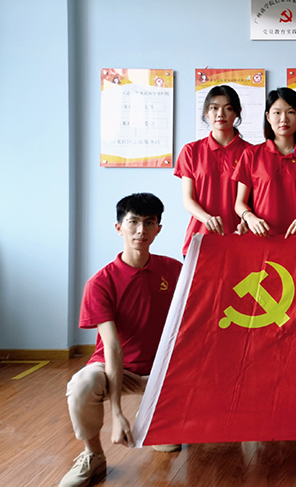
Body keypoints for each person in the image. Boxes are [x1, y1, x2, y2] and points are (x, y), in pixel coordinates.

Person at [60, 193, 183, 487]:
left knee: (169, 443)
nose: (141, 230)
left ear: (158, 229)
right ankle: (93, 455)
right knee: (82, 384)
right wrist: (116, 413)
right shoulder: (100, 283)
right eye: (133, 222)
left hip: (163, 372)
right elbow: (112, 348)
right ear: (119, 228)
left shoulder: (174, 271)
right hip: (118, 369)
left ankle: (155, 419)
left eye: (149, 223)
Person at [173, 85, 249, 256]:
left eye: (228, 108)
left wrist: (246, 221)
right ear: (206, 112)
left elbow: (254, 200)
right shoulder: (191, 151)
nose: (220, 114)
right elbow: (188, 200)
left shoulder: (250, 153)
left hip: (239, 241)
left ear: (237, 113)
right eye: (214, 108)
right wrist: (207, 219)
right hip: (200, 241)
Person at [235, 88, 296, 237]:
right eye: (277, 113)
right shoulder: (251, 155)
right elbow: (239, 203)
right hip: (260, 239)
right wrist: (250, 218)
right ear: (268, 117)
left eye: (291, 112)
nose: (284, 119)